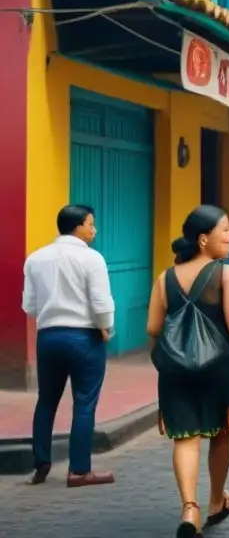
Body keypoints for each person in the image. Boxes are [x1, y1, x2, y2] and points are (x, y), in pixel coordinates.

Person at [147, 205, 229, 535]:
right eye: (225, 229)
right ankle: (216, 501)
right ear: (204, 239)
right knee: (221, 433)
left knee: (186, 438)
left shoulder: (164, 278)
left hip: (176, 371)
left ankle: (189, 510)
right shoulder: (228, 274)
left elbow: (153, 328)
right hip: (220, 369)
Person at [23, 204, 115, 487]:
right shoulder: (92, 259)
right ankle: (79, 470)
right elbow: (101, 302)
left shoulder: (35, 259)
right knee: (84, 402)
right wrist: (106, 328)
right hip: (84, 337)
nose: (94, 229)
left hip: (48, 337)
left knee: (46, 400)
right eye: (91, 224)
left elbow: (29, 305)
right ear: (78, 227)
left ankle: (41, 462)